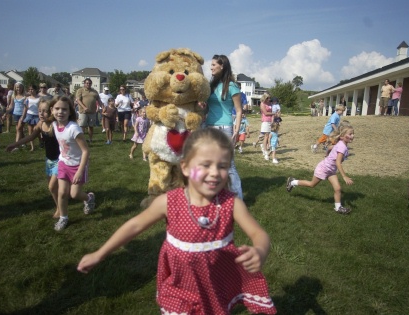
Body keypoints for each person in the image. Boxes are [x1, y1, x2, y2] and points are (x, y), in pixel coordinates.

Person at [77, 128, 276, 314]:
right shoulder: (168, 202)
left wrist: (260, 250)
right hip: (179, 285)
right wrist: (100, 253)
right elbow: (135, 225)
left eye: (222, 166)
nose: (215, 172)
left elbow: (259, 234)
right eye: (205, 165)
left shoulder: (231, 204)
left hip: (216, 284)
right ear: (186, 167)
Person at [6, 98, 60, 218]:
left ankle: (60, 209)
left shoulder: (56, 125)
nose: (41, 113)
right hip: (49, 160)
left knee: (52, 186)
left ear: (51, 112)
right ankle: (60, 203)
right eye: (39, 110)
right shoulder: (40, 124)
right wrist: (15, 144)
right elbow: (31, 137)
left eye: (45, 111)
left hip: (60, 160)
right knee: (53, 187)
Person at [286, 125, 355, 214]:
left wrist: (327, 154)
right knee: (312, 184)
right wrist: (344, 176)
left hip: (330, 170)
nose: (352, 136)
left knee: (338, 189)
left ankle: (338, 208)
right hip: (324, 168)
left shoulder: (342, 144)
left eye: (353, 134)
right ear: (342, 136)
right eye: (350, 134)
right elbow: (338, 162)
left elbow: (330, 148)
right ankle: (292, 182)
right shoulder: (342, 147)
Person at [51, 96, 95, 231]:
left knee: (74, 194)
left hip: (77, 165)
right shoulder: (54, 124)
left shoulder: (74, 129)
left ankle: (89, 198)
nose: (60, 112)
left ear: (70, 111)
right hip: (63, 163)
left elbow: (86, 151)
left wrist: (80, 171)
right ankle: (63, 218)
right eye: (57, 108)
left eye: (64, 109)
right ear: (52, 110)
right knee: (62, 193)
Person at [205, 54, 243, 199]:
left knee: (229, 165)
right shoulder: (211, 85)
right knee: (210, 164)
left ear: (222, 66)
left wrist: (237, 130)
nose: (211, 67)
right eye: (211, 64)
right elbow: (207, 108)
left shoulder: (232, 86)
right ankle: (215, 196)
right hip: (209, 128)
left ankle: (238, 200)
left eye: (214, 64)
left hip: (225, 129)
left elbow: (239, 110)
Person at [76, 78, 103, 143]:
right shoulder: (80, 90)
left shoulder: (94, 91)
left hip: (92, 112)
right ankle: (82, 140)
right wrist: (84, 107)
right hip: (83, 112)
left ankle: (90, 139)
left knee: (91, 126)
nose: (88, 84)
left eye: (89, 83)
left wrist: (103, 107)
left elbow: (99, 100)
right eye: (87, 83)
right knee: (82, 126)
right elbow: (78, 100)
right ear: (84, 83)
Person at [23, 85, 41, 151]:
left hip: (37, 115)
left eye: (32, 89)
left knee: (37, 130)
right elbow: (25, 107)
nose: (31, 90)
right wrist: (23, 116)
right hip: (30, 115)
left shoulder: (39, 98)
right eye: (30, 89)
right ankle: (32, 147)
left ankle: (40, 141)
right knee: (30, 132)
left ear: (35, 90)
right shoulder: (27, 98)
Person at [258, 93, 274, 160]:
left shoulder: (270, 104)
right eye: (267, 98)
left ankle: (264, 147)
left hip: (270, 121)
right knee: (266, 136)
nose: (269, 99)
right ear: (264, 98)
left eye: (269, 98)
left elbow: (272, 112)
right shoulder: (262, 104)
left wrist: (273, 120)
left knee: (270, 136)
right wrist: (274, 113)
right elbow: (265, 113)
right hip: (265, 121)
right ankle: (265, 150)